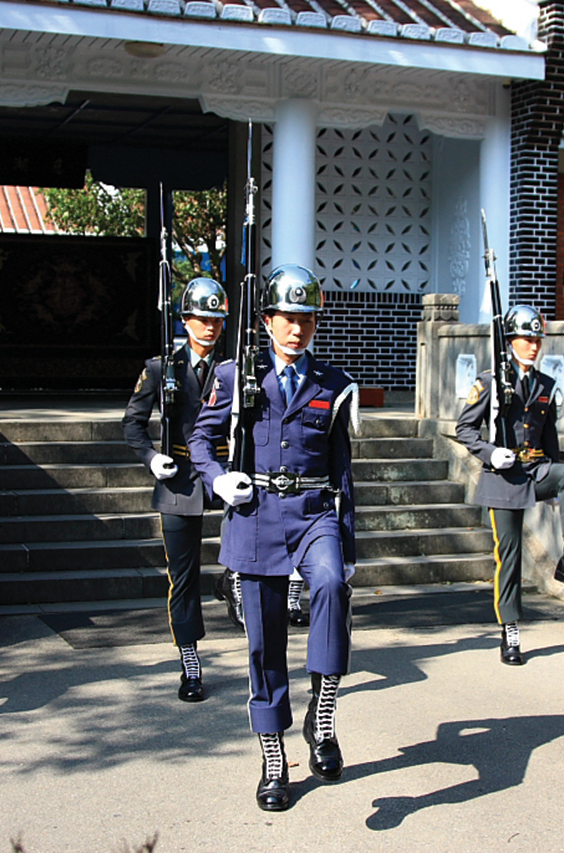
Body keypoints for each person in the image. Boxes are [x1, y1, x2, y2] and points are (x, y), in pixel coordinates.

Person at [189, 264, 357, 812]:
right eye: (287, 318)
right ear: (265, 320)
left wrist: (348, 543)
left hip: (313, 512)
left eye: (306, 319)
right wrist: (218, 479)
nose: (297, 330)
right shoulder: (236, 375)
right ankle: (273, 757)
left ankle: (323, 713)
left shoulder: (334, 384)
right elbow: (200, 439)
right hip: (256, 513)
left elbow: (342, 469)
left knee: (331, 584)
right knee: (265, 647)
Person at [454, 305, 564, 666]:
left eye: (537, 339)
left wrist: (554, 479)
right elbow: (465, 429)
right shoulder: (489, 382)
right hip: (502, 475)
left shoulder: (546, 385)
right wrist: (489, 453)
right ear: (510, 340)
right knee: (511, 556)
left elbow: (550, 439)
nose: (533, 346)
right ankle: (511, 630)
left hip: (534, 469)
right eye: (526, 339)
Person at [123, 277, 231, 702]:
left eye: (216, 320)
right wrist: (152, 458)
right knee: (182, 576)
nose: (210, 327)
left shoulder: (234, 368)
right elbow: (132, 424)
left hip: (225, 472)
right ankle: (190, 662)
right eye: (202, 319)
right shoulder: (159, 368)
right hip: (180, 475)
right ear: (186, 321)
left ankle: (230, 584)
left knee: (249, 556)